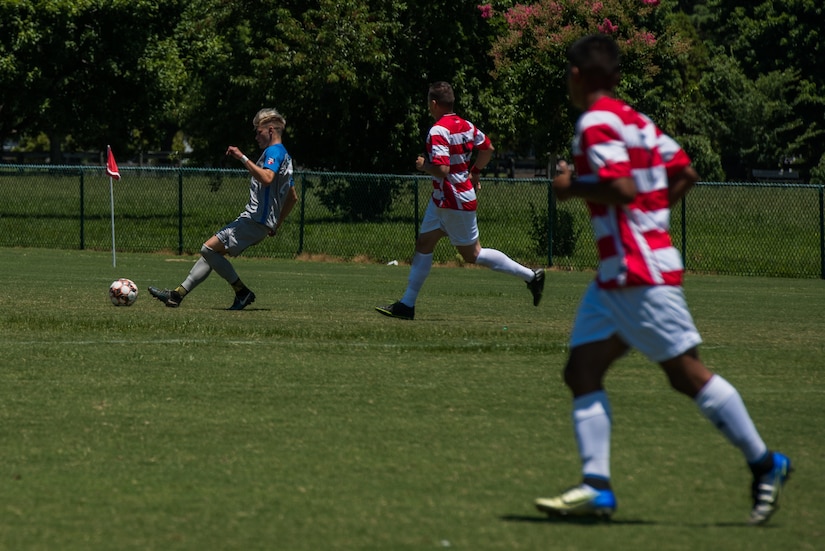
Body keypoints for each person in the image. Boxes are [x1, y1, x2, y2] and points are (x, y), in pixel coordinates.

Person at [534, 35, 790, 525]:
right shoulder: (637, 121)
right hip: (621, 273)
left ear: (576, 75)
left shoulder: (595, 122)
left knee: (687, 374)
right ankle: (597, 488)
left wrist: (570, 188)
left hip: (637, 272)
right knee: (581, 372)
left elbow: (622, 186)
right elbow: (685, 172)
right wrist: (652, 222)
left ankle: (765, 463)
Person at [375, 81, 545, 320]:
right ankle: (407, 304)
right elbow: (487, 148)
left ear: (434, 104)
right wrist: (475, 171)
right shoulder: (465, 125)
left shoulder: (438, 130)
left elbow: (442, 169)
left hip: (453, 199)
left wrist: (425, 166)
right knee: (424, 243)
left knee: (473, 254)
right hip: (443, 199)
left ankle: (531, 276)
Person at [148, 108, 298, 310]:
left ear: (270, 130)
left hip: (255, 219)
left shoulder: (274, 152)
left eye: (258, 131)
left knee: (207, 248)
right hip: (260, 222)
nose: (256, 136)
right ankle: (176, 295)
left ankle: (242, 292)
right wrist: (276, 224)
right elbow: (292, 197)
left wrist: (242, 157)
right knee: (211, 255)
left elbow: (267, 178)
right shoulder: (286, 157)